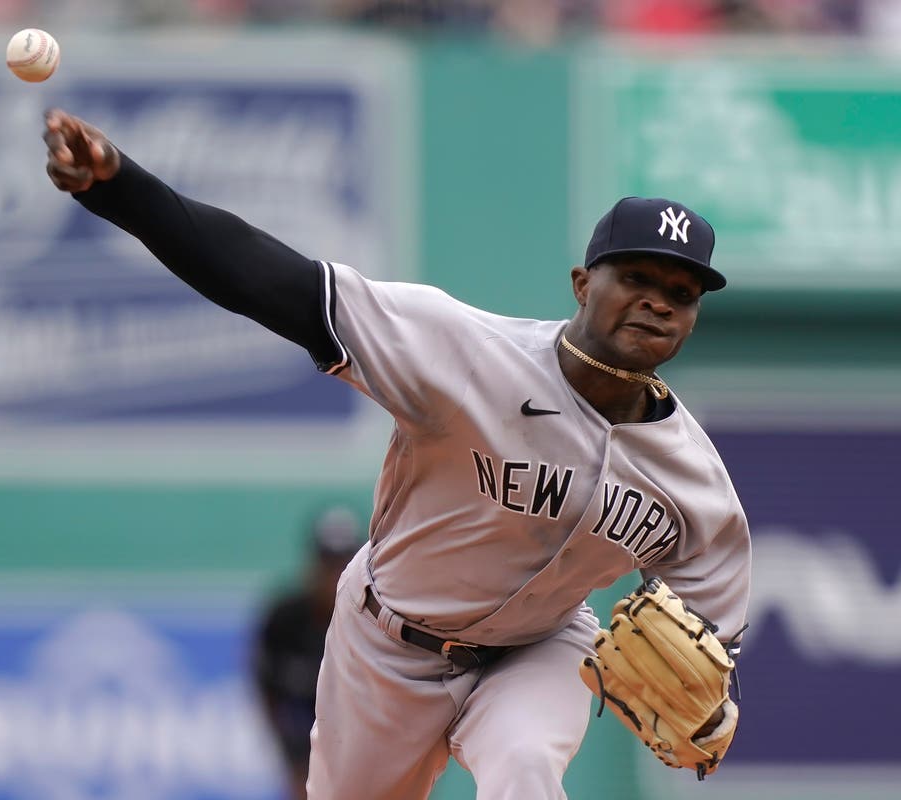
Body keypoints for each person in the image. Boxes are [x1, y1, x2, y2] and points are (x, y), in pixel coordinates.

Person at [41, 108, 751, 800]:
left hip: (542, 646)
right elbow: (271, 282)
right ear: (581, 283)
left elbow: (715, 640)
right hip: (388, 644)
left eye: (680, 294)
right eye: (636, 279)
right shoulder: (466, 355)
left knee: (526, 767)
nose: (658, 303)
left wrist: (719, 696)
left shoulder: (695, 484)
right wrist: (120, 189)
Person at [250, 506, 367, 800]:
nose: (335, 575)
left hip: (363, 743)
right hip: (301, 736)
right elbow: (266, 686)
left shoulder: (374, 623)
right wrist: (292, 755)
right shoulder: (285, 620)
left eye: (344, 563)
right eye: (328, 563)